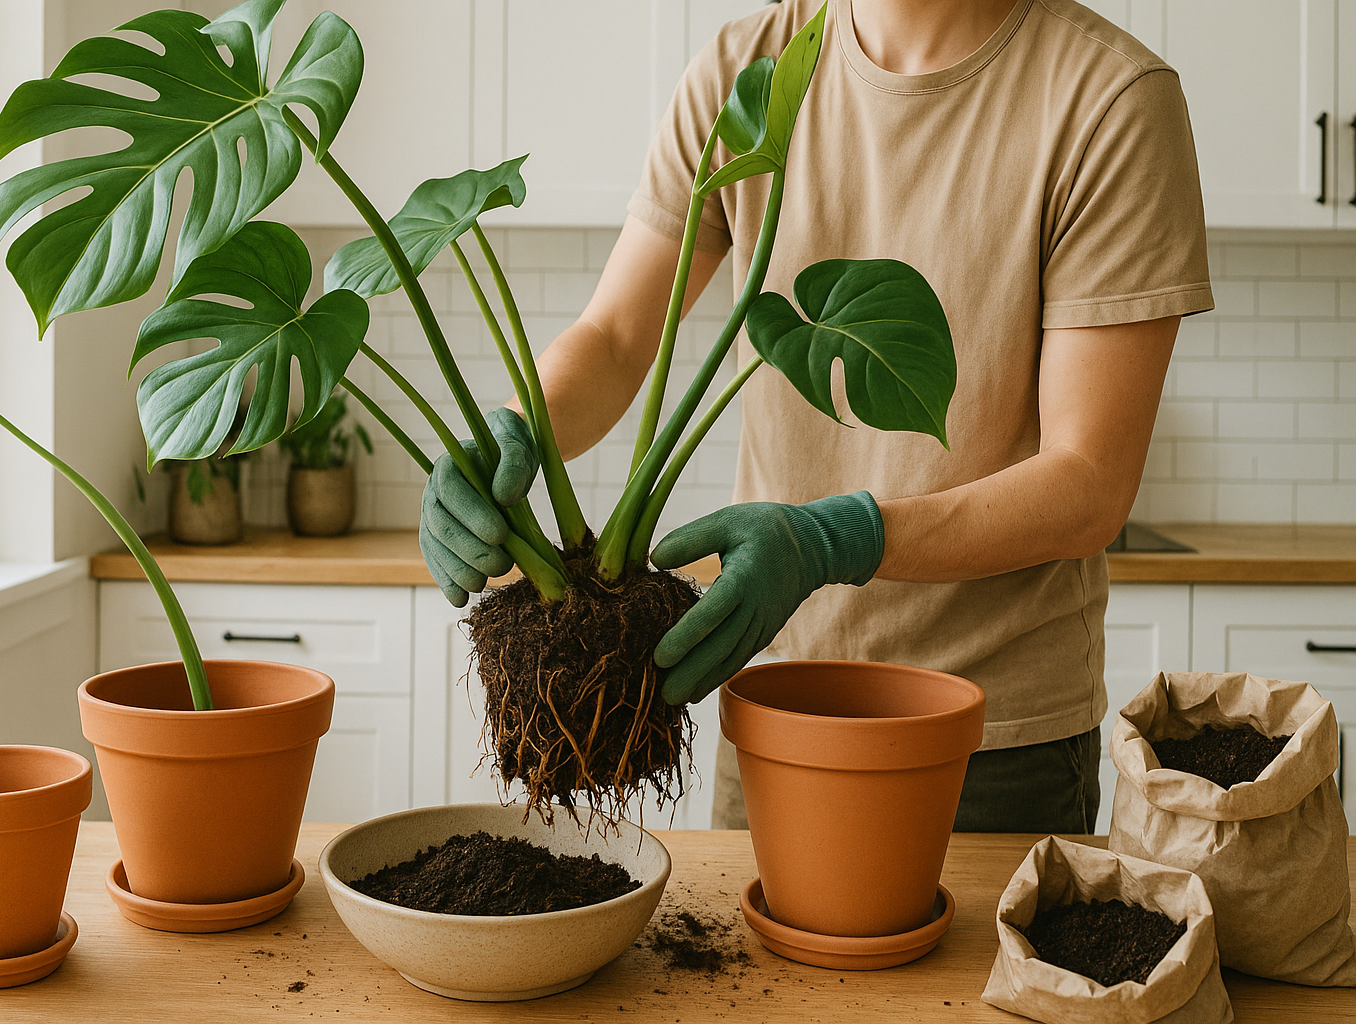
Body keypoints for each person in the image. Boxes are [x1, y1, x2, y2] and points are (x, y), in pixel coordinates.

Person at [419, 0, 1212, 833]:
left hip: (988, 737)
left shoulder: (1111, 97)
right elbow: (616, 337)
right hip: (771, 703)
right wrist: (506, 432)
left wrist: (838, 539)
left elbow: (1090, 483)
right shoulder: (752, 70)